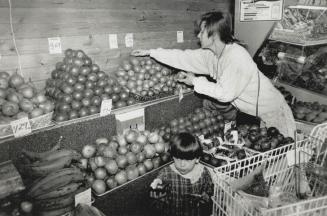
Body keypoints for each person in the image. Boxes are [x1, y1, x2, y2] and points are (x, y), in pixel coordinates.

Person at [131, 11, 296, 138]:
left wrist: (195, 81)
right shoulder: (212, 54)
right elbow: (184, 57)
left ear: (214, 34)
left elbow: (225, 94)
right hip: (250, 113)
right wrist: (151, 52)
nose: (198, 36)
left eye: (201, 32)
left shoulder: (236, 56)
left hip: (273, 112)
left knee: (283, 163)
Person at [150, 132, 213, 216]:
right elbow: (157, 191)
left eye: (187, 159)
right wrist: (157, 187)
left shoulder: (203, 172)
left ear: (197, 159)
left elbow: (209, 191)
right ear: (172, 156)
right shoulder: (166, 173)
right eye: (178, 158)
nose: (182, 164)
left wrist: (204, 197)